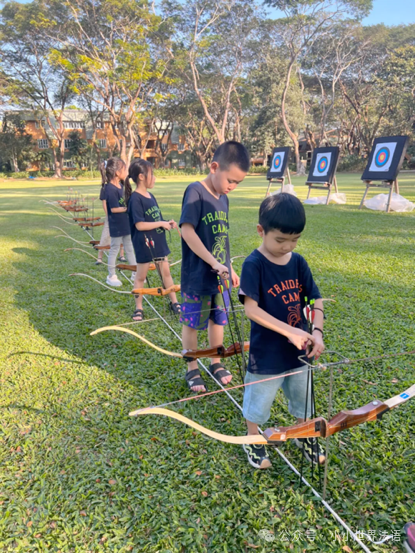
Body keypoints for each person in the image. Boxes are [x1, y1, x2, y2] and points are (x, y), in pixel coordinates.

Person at [239, 193, 325, 469]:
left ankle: (304, 433)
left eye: (295, 239)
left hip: (299, 352)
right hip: (267, 354)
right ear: (261, 231)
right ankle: (253, 437)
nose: (288, 246)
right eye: (280, 240)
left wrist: (318, 332)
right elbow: (251, 310)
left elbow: (314, 299)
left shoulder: (297, 262)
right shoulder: (254, 265)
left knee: (304, 398)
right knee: (258, 402)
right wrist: (289, 331)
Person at [179, 141, 250, 393]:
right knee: (193, 323)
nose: (233, 187)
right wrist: (213, 263)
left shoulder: (224, 199)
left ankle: (216, 362)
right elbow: (187, 231)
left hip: (220, 276)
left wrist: (229, 267)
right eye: (230, 180)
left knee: (218, 320)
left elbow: (223, 238)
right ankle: (192, 367)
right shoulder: (195, 191)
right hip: (198, 276)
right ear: (214, 167)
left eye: (238, 183)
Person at [126, 158, 181, 321]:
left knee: (166, 273)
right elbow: (140, 225)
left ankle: (174, 302)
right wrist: (161, 223)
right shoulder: (135, 199)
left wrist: (166, 223)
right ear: (141, 177)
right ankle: (139, 308)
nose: (155, 178)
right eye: (152, 174)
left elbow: (156, 218)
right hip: (144, 244)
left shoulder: (150, 196)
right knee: (141, 276)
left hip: (158, 242)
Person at [104, 157, 136, 286]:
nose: (126, 172)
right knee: (115, 248)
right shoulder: (110, 189)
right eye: (124, 169)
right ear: (117, 172)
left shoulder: (121, 186)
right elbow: (113, 209)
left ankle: (135, 272)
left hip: (126, 223)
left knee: (129, 248)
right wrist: (128, 208)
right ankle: (111, 275)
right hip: (116, 225)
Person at [96, 160, 126, 265]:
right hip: (111, 217)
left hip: (121, 217)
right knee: (106, 236)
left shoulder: (121, 186)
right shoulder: (106, 188)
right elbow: (105, 203)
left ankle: (122, 255)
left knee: (122, 236)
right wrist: (108, 215)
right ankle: (99, 257)